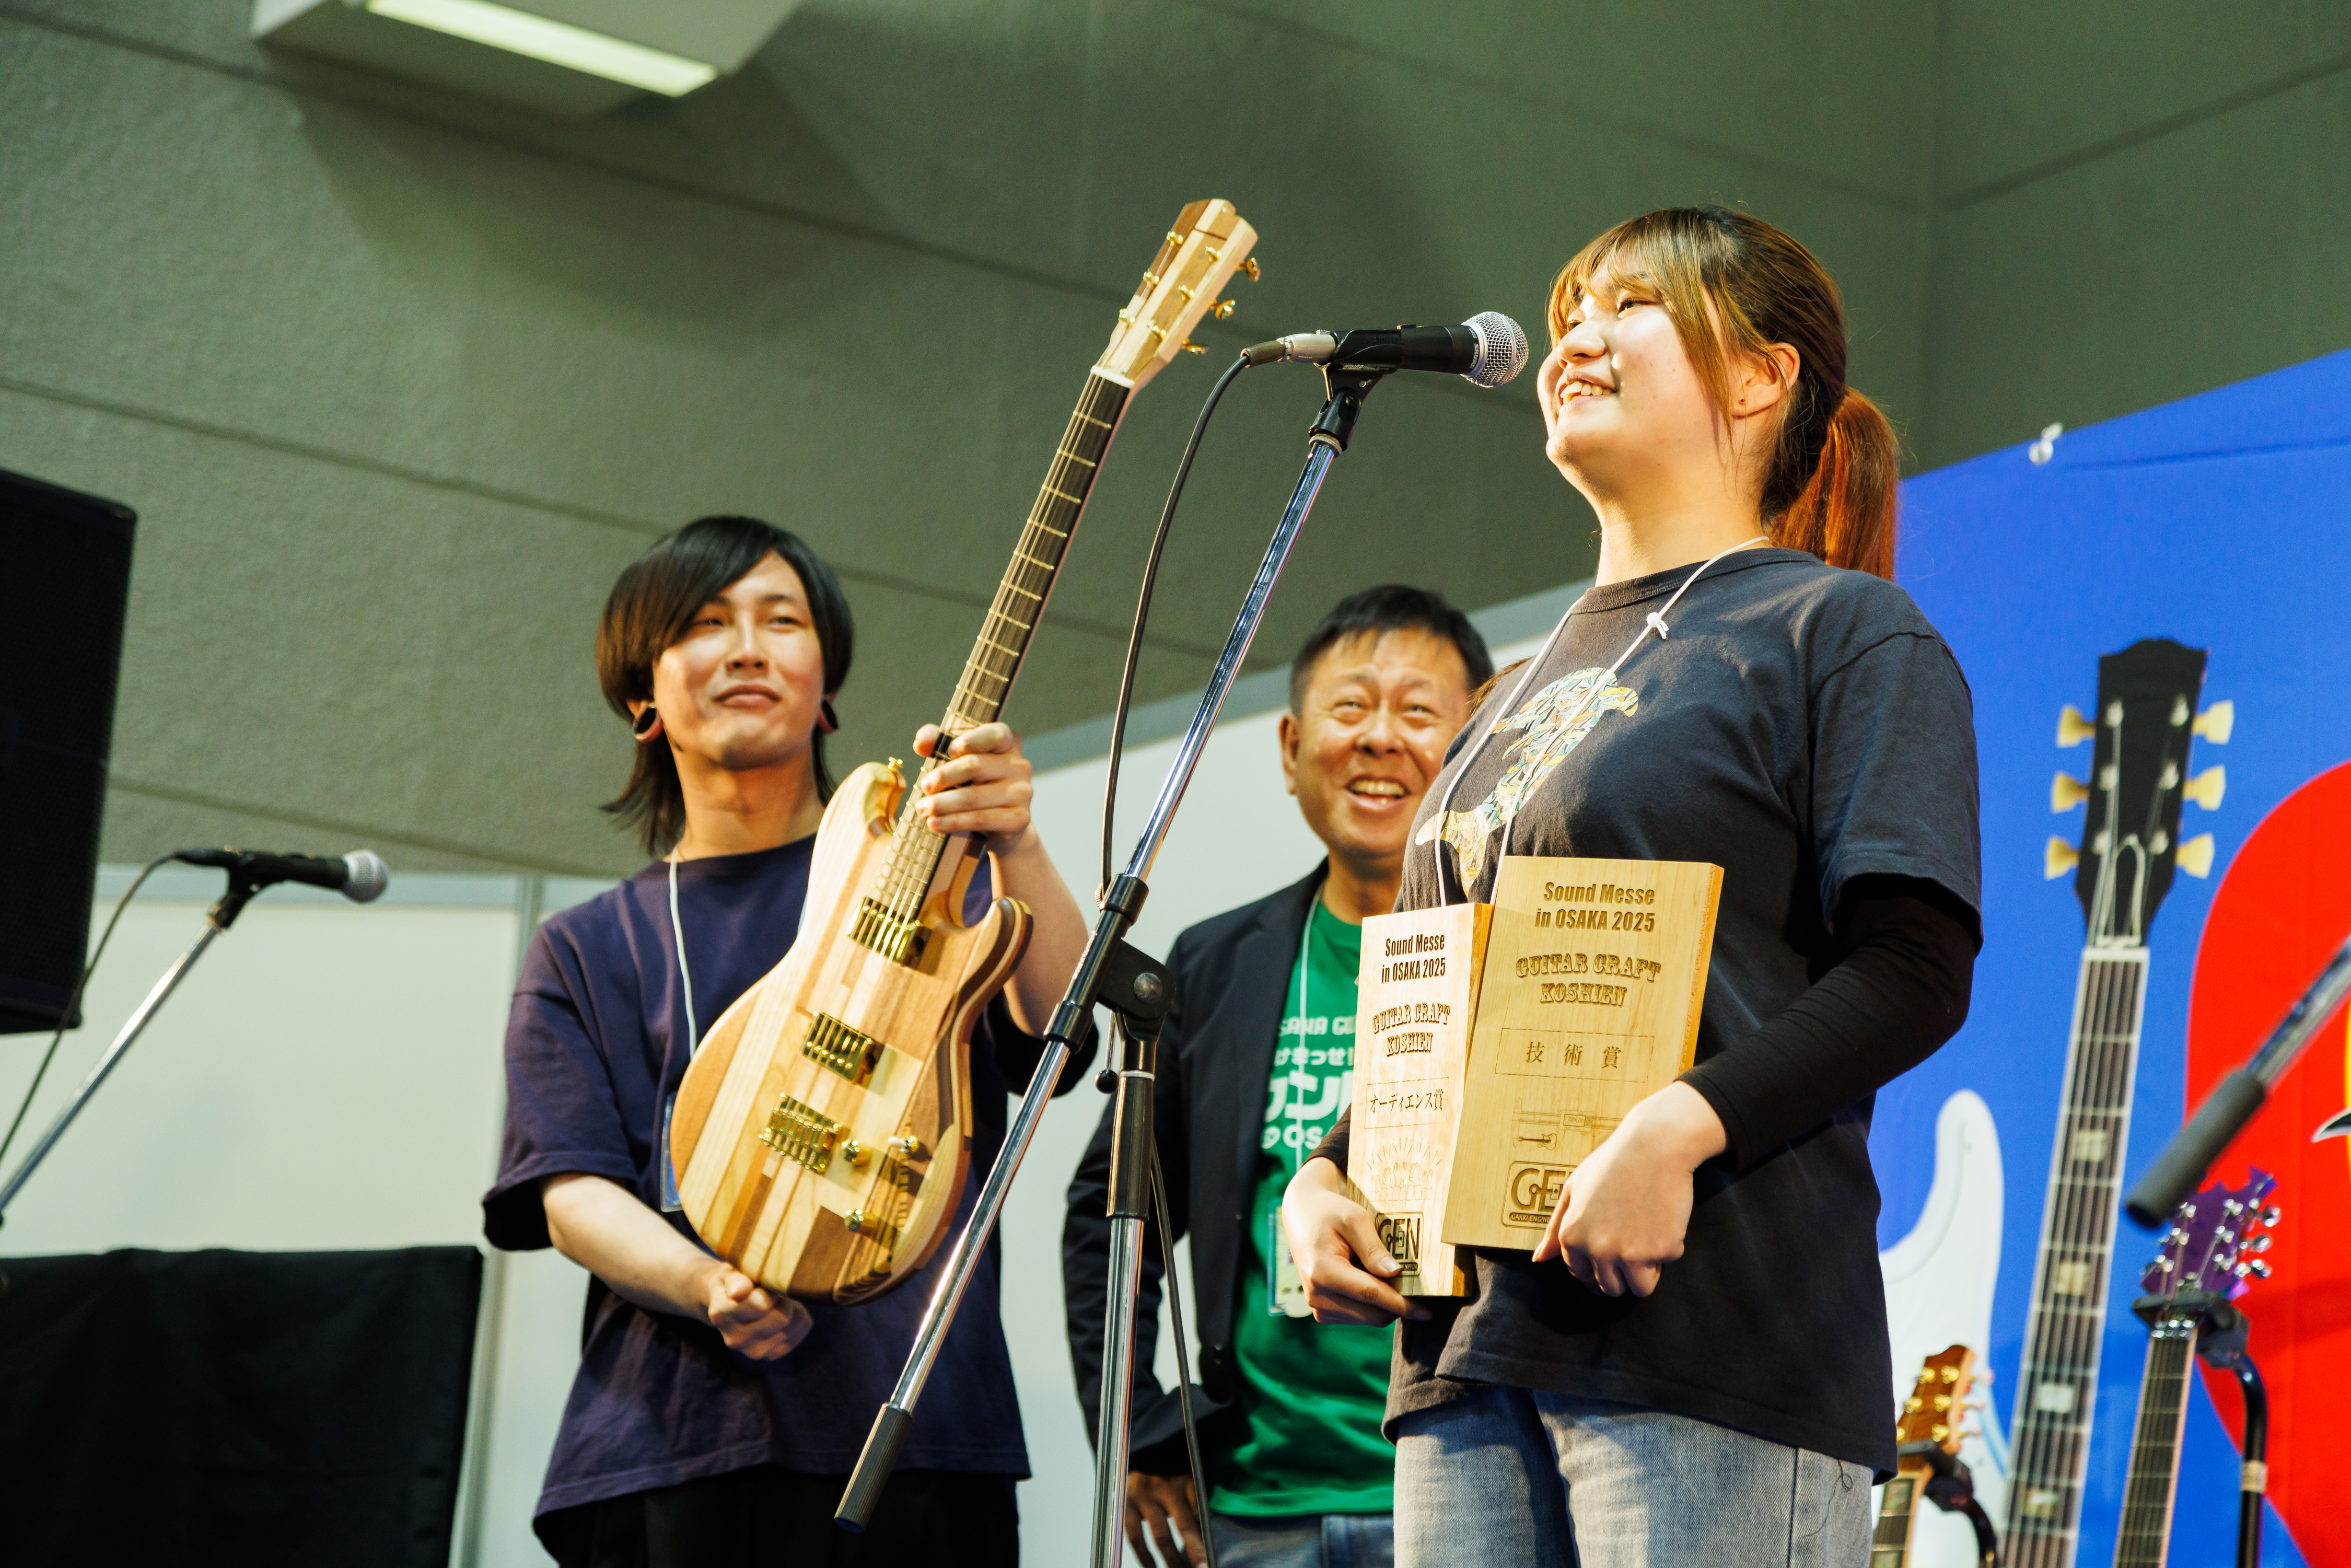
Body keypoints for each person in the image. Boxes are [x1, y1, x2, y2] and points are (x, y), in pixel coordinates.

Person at [1281, 206, 1982, 1567]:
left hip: (1711, 1346)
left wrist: (1675, 1130)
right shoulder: (1516, 688)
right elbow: (1465, 997)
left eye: (1626, 306)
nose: (1574, 340)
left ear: (1758, 377)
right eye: (1563, 318)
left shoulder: (1839, 632)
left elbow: (1911, 967)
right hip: (1463, 1359)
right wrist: (1328, 1166)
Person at [483, 515, 1093, 1566]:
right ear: (643, 693)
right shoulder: (583, 946)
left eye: (782, 619)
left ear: (827, 682)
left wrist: (1020, 844)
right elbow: (568, 1190)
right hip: (666, 1443)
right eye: (707, 624)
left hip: (917, 1427)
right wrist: (707, 1285)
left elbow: (1061, 1032)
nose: (749, 647)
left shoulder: (935, 881)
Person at [1065, 587, 1494, 1568]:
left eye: (1420, 712)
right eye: (1350, 710)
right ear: (1292, 746)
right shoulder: (1216, 964)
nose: (1381, 738)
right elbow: (1108, 1213)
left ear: (1482, 742)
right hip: (1252, 1512)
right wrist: (1137, 1427)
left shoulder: (1516, 952)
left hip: (1467, 1488)